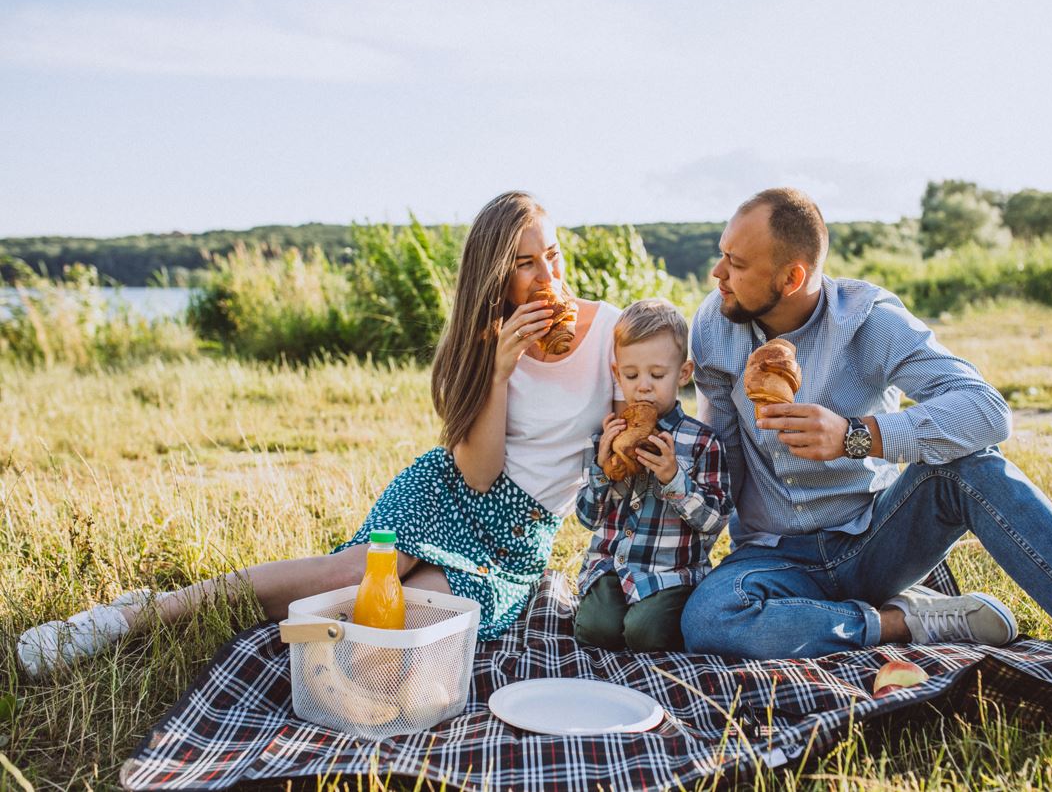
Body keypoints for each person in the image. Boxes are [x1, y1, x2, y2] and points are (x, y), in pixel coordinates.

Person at [18, 191, 625, 676]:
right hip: (449, 495)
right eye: (525, 263)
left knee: (399, 618)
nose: (548, 274)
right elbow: (477, 473)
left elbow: (645, 409)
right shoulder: (480, 342)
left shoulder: (610, 334)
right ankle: (126, 621)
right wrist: (498, 373)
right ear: (496, 276)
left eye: (552, 254)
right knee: (353, 574)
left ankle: (218, 616)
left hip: (515, 539)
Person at [679, 187, 1052, 709]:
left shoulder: (869, 322)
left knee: (971, 467)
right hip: (774, 558)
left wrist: (857, 436)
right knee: (707, 618)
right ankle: (909, 621)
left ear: (791, 277)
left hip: (873, 541)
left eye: (736, 262)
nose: (717, 273)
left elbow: (985, 410)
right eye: (722, 254)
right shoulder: (715, 324)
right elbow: (723, 457)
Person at [573, 299, 733, 652]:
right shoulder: (607, 438)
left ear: (683, 373)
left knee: (645, 633)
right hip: (612, 569)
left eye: (657, 375)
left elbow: (714, 521)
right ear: (617, 374)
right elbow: (586, 518)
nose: (643, 386)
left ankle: (661, 623)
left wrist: (674, 479)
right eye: (631, 375)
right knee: (596, 629)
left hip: (670, 575)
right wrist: (602, 470)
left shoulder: (702, 442)